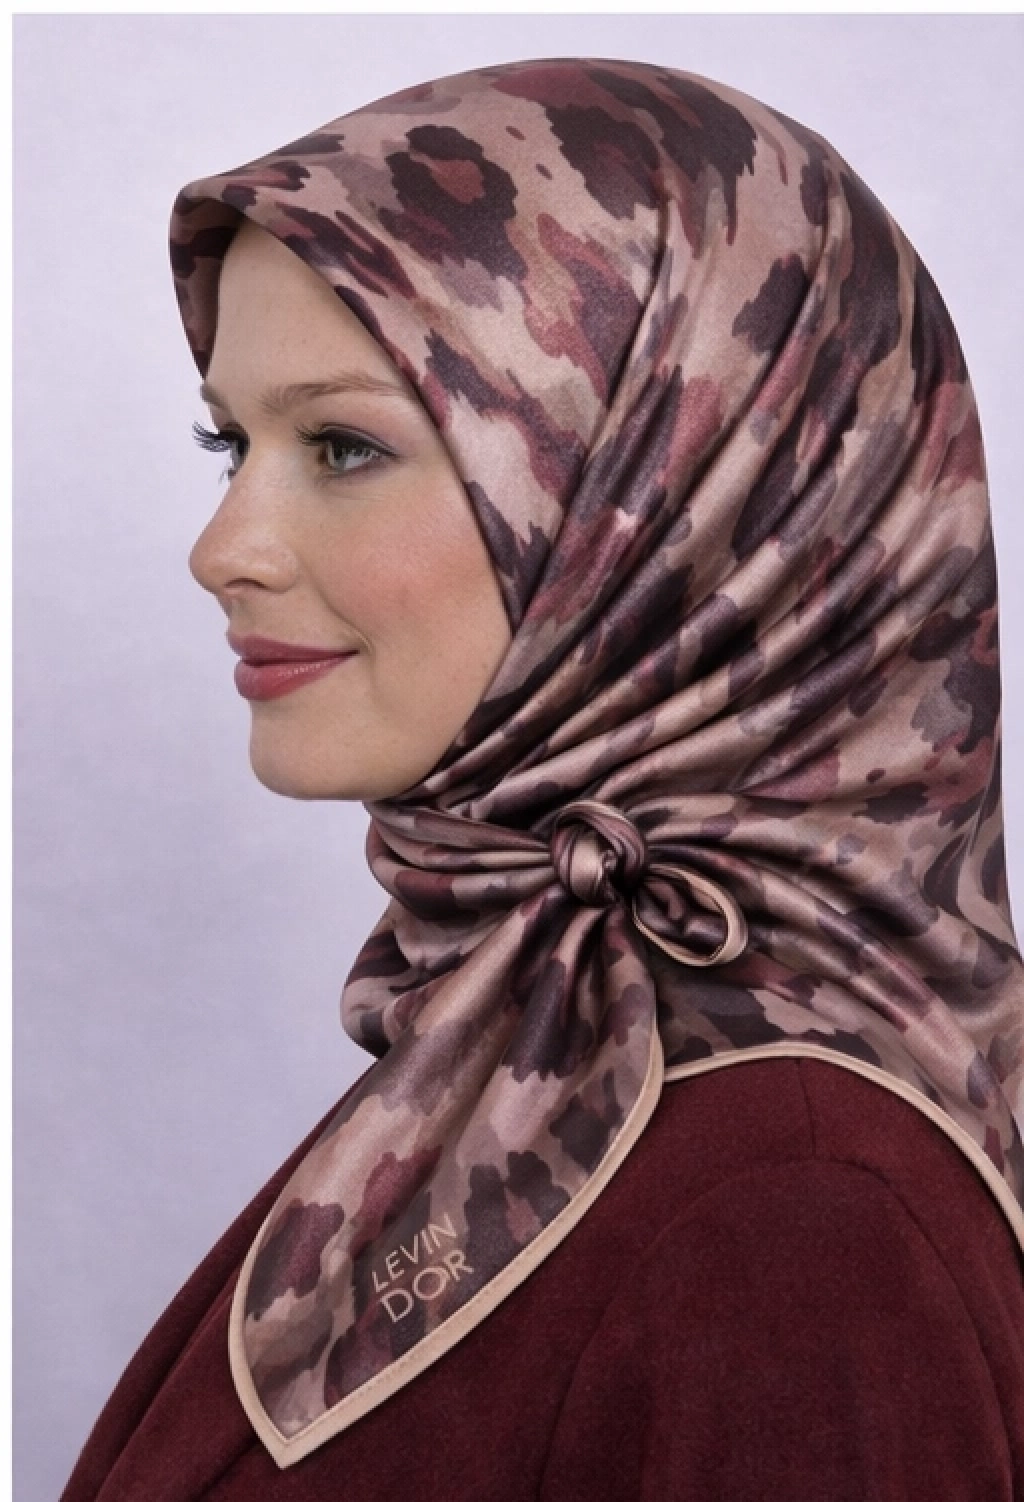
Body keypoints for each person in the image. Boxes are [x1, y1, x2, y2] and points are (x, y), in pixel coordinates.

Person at [62, 57, 1024, 1500]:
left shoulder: (795, 1215)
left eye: (343, 445)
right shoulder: (539, 1052)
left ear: (672, 501)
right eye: (230, 443)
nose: (225, 550)